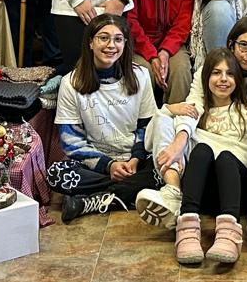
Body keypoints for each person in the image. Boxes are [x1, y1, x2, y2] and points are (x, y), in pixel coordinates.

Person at [144, 16, 247, 239]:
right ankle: (172, 191)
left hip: (243, 163)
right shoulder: (208, 70)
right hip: (201, 162)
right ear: (231, 45)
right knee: (170, 121)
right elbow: (193, 107)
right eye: (244, 46)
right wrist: (176, 135)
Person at [157, 49, 247, 266]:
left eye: (230, 74)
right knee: (201, 150)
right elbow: (158, 125)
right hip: (203, 192)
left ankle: (230, 232)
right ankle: (187, 226)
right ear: (205, 78)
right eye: (216, 73)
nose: (223, 79)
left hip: (239, 192)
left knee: (226, 157)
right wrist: (169, 107)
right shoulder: (195, 113)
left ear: (237, 80)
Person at [46, 14, 161, 222]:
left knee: (167, 171)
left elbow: (148, 127)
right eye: (103, 38)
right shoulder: (70, 83)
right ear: (90, 42)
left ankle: (93, 201)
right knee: (56, 174)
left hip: (135, 161)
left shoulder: (141, 76)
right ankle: (129, 193)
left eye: (118, 39)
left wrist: (134, 159)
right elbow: (71, 142)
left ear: (125, 43)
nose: (111, 45)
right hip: (95, 163)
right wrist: (109, 165)